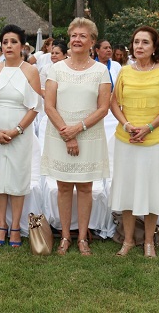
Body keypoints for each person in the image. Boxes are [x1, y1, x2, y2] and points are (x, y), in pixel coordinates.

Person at [41, 18, 112, 256]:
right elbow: (49, 105)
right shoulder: (56, 69)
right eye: (74, 35)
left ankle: (82, 238)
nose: (77, 40)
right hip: (59, 134)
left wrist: (78, 129)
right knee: (62, 187)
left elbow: (103, 108)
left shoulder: (101, 70)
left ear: (92, 42)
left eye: (83, 36)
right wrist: (67, 134)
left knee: (85, 187)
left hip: (89, 135)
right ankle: (64, 237)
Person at [109, 26, 159, 258]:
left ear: (155, 46)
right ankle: (128, 240)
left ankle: (149, 241)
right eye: (136, 41)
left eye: (145, 42)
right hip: (126, 140)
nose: (139, 46)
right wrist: (127, 125)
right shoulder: (124, 71)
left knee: (152, 190)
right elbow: (114, 103)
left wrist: (149, 127)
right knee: (127, 189)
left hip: (154, 140)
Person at [0, 25, 42, 248]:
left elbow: (35, 106)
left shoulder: (31, 71)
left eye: (13, 42)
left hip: (21, 131)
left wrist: (17, 130)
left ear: (22, 46)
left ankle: (15, 226)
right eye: (5, 42)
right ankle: (1, 225)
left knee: (17, 176)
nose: (8, 46)